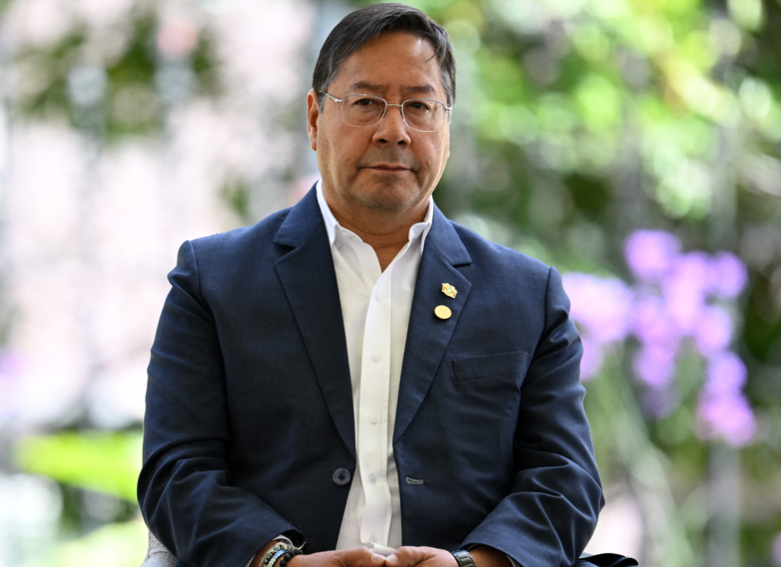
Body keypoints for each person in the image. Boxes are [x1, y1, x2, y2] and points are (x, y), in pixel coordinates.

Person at [138, 4, 604, 567]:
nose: (394, 130)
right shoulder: (214, 282)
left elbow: (565, 479)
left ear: (447, 127)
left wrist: (473, 565)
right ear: (314, 119)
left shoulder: (527, 297)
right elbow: (177, 470)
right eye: (365, 103)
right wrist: (277, 562)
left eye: (419, 106)